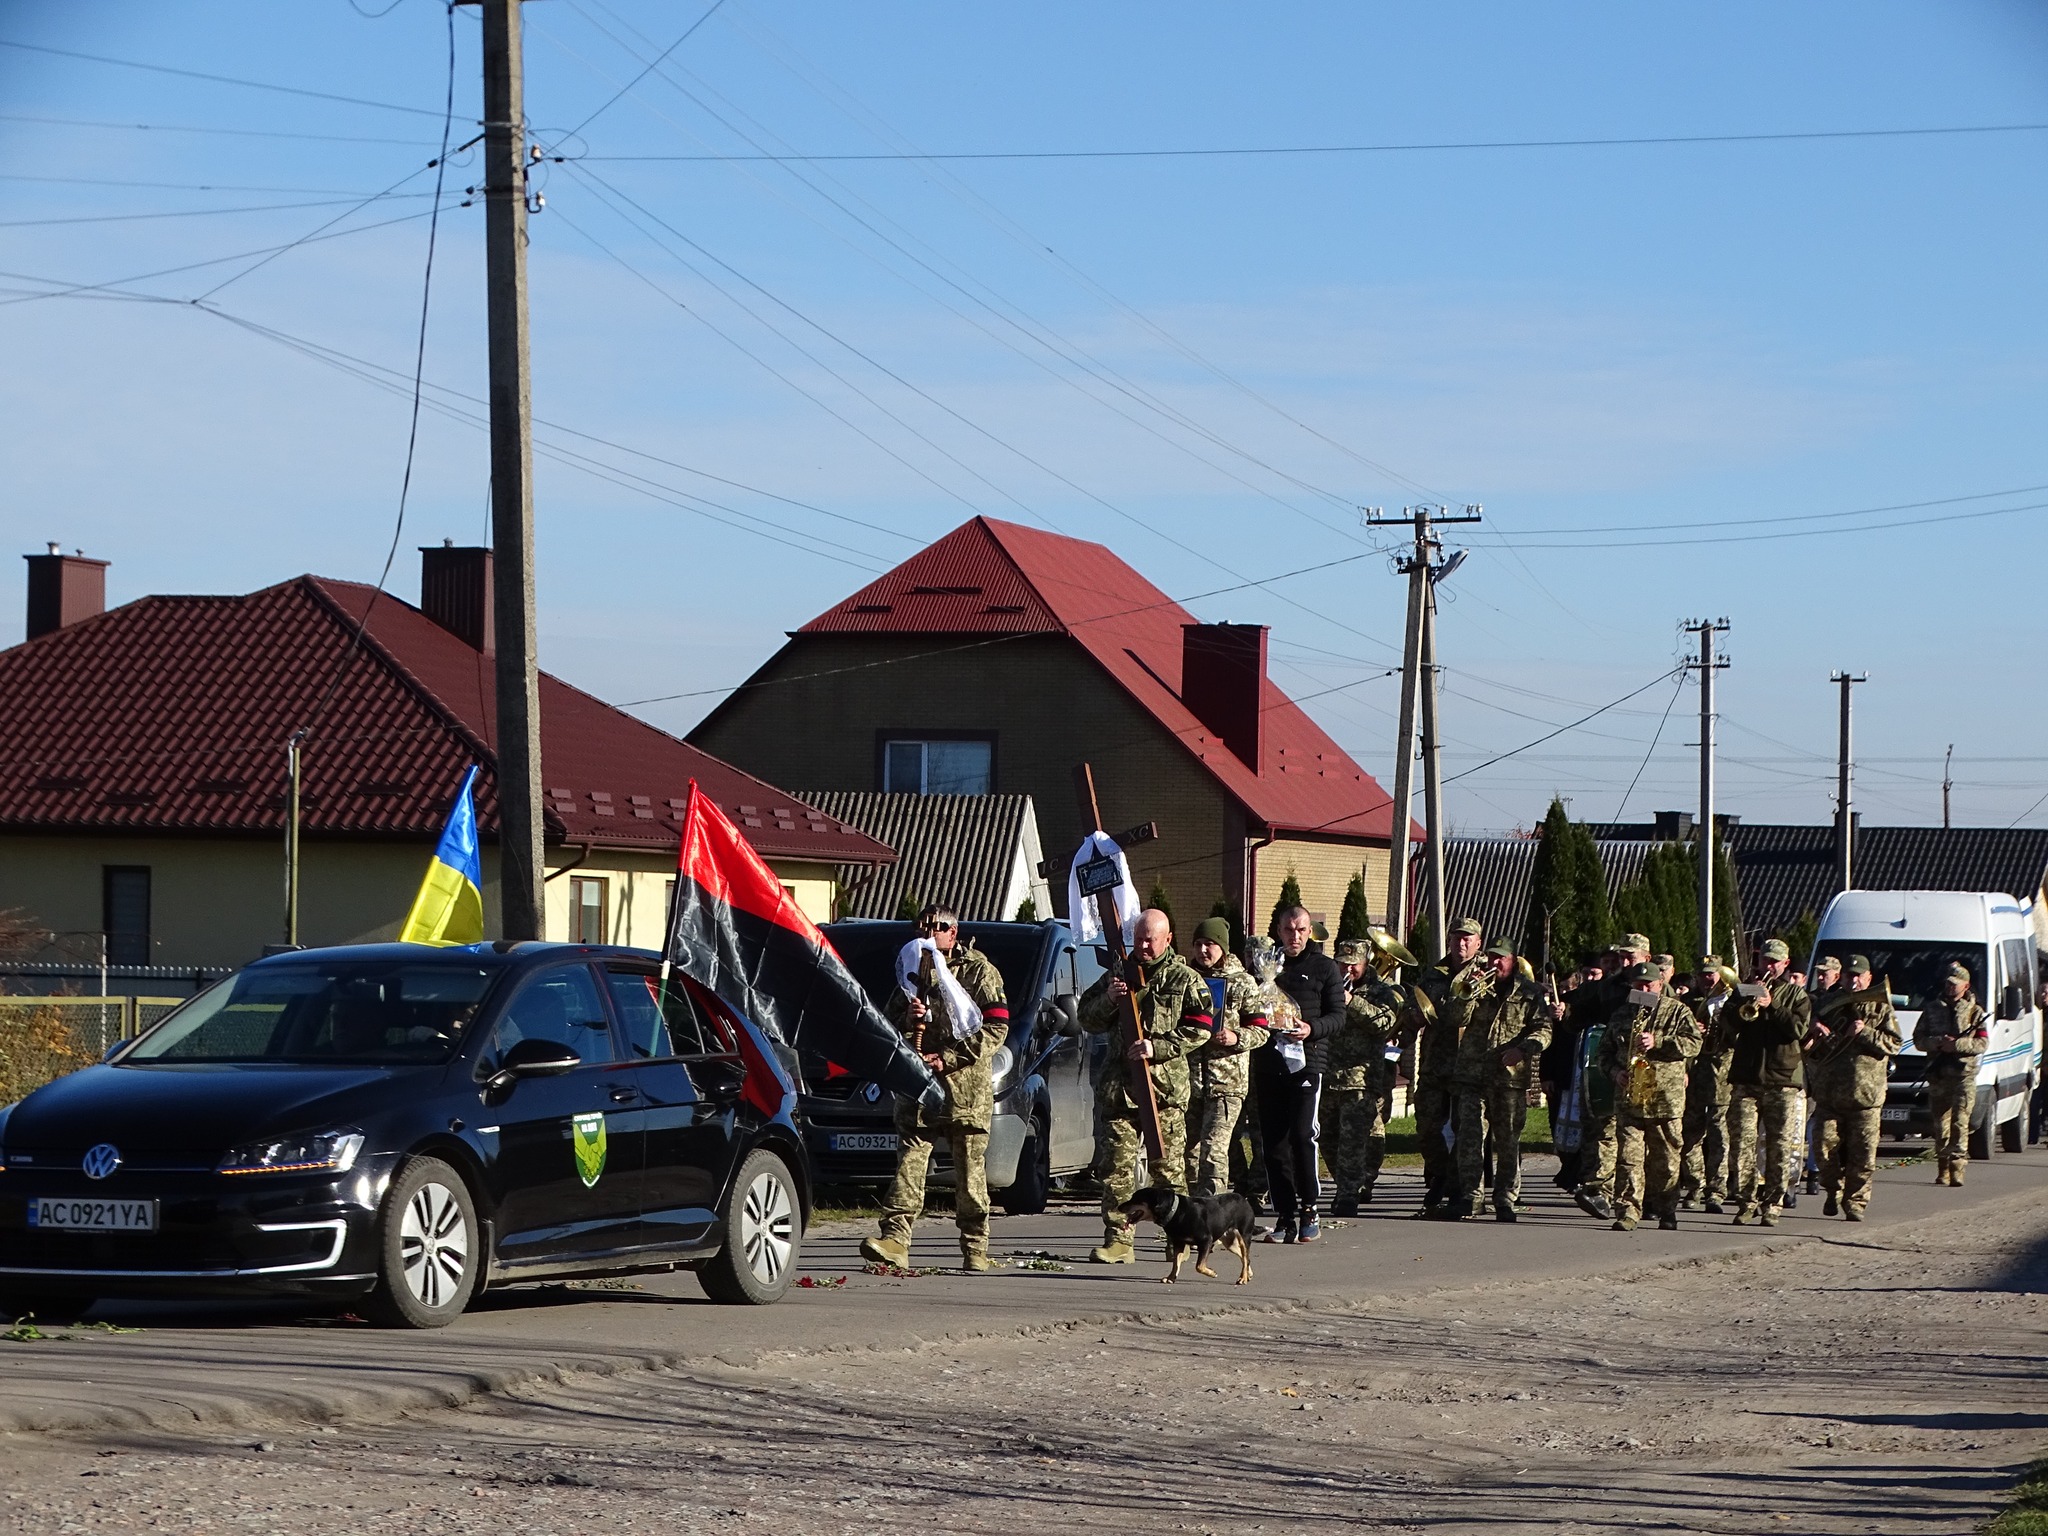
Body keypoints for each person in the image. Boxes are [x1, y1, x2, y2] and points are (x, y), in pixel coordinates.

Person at [859, 904, 1011, 1272]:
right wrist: (905, 1019)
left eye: (936, 927)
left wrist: (950, 1056)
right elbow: (886, 1023)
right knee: (909, 1162)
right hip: (920, 1088)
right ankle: (896, 1238)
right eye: (920, 927)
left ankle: (975, 1247)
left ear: (953, 933)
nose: (927, 934)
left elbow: (996, 1028)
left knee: (970, 1174)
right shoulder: (912, 970)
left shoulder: (979, 972)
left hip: (965, 1091)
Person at [1079, 908, 1216, 1264]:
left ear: (1168, 939)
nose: (1143, 945)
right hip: (1119, 1091)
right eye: (1138, 939)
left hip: (1163, 1092)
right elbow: (1086, 1017)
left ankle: (1179, 1240)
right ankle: (1120, 1240)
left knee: (1167, 1170)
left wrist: (1160, 1047)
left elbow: (1201, 1027)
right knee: (1116, 1169)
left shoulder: (1185, 979)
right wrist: (1109, 998)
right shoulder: (1119, 974)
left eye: (1151, 939)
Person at [1253, 905, 1347, 1243]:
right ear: (1278, 930)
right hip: (1268, 1063)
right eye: (1289, 930)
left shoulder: (1325, 968)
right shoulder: (1264, 967)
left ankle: (1310, 1207)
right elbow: (1249, 1009)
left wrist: (1311, 1028)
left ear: (1311, 932)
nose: (1295, 936)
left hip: (1308, 1063)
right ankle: (1284, 1215)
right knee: (1273, 1143)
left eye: (1302, 930)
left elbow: (1338, 1016)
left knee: (1302, 1136)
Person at [1596, 961, 1701, 1231]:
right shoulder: (1622, 1014)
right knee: (1629, 1157)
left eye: (1649, 985)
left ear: (1660, 985)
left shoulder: (1677, 1011)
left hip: (1664, 1099)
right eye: (1638, 985)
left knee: (1665, 1159)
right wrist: (1614, 1073)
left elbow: (1694, 1044)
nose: (1644, 989)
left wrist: (1660, 1041)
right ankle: (1628, 1210)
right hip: (1630, 1098)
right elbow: (1604, 1053)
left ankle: (1665, 1208)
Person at [1450, 942, 1550, 1221]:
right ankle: (1471, 1197)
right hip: (1473, 1075)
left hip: (1509, 1079)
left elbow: (1543, 1029)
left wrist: (1523, 1049)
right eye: (1490, 957)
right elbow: (1456, 1018)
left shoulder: (1529, 992)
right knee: (1470, 1139)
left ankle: (1506, 1198)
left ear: (1513, 960)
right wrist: (1467, 992)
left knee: (1507, 1140)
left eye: (1500, 959)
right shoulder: (1477, 986)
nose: (1494, 964)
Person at [1559, 932, 1652, 1220]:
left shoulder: (1660, 988)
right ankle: (1600, 1191)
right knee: (1603, 1129)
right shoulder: (1608, 987)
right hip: (1612, 1068)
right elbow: (1583, 1014)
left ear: (1646, 959)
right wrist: (1565, 1012)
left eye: (1631, 957)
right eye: (1622, 957)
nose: (1624, 962)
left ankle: (1646, 1196)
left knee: (1642, 1138)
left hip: (1649, 1071)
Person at [1806, 955, 1901, 1220]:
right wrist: (1813, 1028)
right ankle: (1833, 1190)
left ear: (1869, 978)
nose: (1854, 980)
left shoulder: (1880, 1007)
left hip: (1865, 1095)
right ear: (1841, 978)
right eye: (1849, 975)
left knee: (1863, 1155)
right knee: (1822, 1146)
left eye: (1859, 976)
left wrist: (1865, 1032)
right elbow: (1807, 1047)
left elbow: (1895, 1044)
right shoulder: (1826, 1003)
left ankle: (1856, 1202)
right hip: (1829, 1093)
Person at [1725, 939, 1812, 1227]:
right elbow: (1727, 1025)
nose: (1769, 966)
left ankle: (1773, 1202)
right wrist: (1740, 1000)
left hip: (1782, 1079)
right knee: (1742, 1143)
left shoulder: (1796, 995)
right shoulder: (1744, 989)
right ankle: (1746, 1201)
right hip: (1747, 1078)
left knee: (1779, 1145)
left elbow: (1797, 1030)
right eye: (1766, 961)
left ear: (1785, 965)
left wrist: (1772, 1005)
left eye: (1775, 962)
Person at [1185, 917, 1270, 1196]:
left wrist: (1237, 1037)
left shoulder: (1242, 982)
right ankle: (1193, 1212)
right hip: (1188, 1082)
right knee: (1189, 1152)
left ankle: (1213, 1213)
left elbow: (1261, 1030)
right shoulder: (1185, 978)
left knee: (1213, 1151)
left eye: (1210, 944)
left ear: (1222, 947)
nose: (1203, 951)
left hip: (1226, 1084)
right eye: (1198, 944)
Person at [1410, 917, 1487, 1217]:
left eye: (1468, 938)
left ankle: (1455, 1187)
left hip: (1468, 1065)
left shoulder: (1484, 973)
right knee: (1426, 1125)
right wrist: (1413, 1014)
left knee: (1465, 1130)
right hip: (1434, 1062)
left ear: (1478, 942)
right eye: (1457, 937)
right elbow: (1415, 1000)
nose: (1462, 943)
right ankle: (1440, 1175)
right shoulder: (1435, 972)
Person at [1325, 936, 1403, 1214]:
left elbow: (1383, 1023)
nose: (1347, 970)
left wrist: (1350, 1001)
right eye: (1342, 964)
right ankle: (1348, 1184)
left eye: (1353, 964)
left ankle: (1348, 1194)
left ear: (1365, 962)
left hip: (1360, 1080)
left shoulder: (1383, 991)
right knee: (1328, 1138)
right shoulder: (1327, 986)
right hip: (1328, 1076)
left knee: (1353, 1141)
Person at [1914, 962, 1987, 1186]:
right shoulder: (1932, 1008)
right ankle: (1942, 1166)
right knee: (1940, 1124)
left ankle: (1958, 1168)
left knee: (1960, 1122)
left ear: (1966, 985)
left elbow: (1982, 1043)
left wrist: (1957, 1045)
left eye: (1955, 984)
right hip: (1939, 1075)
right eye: (1948, 983)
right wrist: (1937, 1043)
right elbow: (1917, 1040)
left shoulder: (1976, 1011)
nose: (1950, 987)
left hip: (1963, 1075)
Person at [1678, 959, 1738, 1214]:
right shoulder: (1688, 1002)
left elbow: (1739, 1036)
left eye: (1712, 975)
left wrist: (1722, 1023)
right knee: (1690, 1135)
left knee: (1719, 1136)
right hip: (1693, 1076)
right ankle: (1694, 1186)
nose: (1708, 980)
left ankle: (1717, 1189)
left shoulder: (1732, 1002)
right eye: (1703, 976)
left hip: (1722, 1077)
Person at [1798, 956, 1842, 1197]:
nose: (1822, 976)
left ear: (1837, 974)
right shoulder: (1811, 998)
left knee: (1824, 1125)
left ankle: (1816, 1172)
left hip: (1834, 1067)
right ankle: (1805, 1171)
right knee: (1807, 1121)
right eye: (1820, 972)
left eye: (1826, 972)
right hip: (1811, 1065)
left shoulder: (1843, 999)